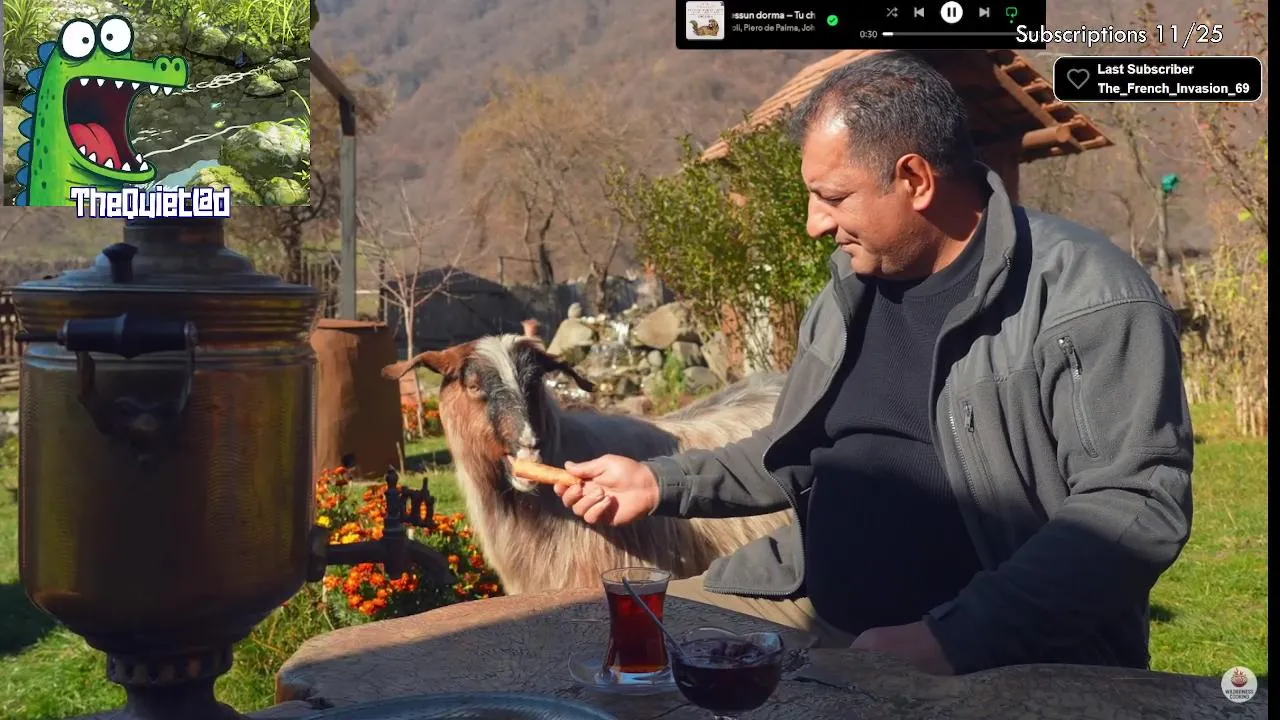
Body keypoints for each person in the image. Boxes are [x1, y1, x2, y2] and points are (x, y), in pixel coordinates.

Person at [553, 51, 1194, 676]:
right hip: (807, 601)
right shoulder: (847, 294)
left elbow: (1135, 505)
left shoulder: (1087, 298)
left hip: (996, 652)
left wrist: (952, 641)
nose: (814, 224)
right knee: (609, 649)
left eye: (832, 196)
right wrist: (657, 483)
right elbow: (792, 449)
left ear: (915, 180)